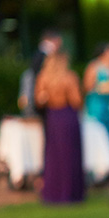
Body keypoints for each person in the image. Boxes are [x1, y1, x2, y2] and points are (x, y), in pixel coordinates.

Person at [34, 49, 85, 204]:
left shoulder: (43, 77)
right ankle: (71, 192)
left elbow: (38, 100)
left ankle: (53, 192)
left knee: (54, 155)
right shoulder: (70, 77)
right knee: (70, 154)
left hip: (53, 117)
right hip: (67, 116)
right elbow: (76, 101)